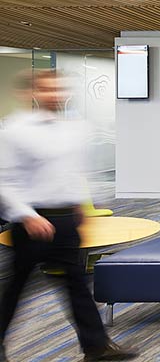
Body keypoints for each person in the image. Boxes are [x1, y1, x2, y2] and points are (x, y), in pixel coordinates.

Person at [0, 70, 137, 361]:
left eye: (58, 89)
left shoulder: (72, 129)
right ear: (33, 93)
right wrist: (27, 215)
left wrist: (80, 207)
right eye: (47, 89)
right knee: (15, 288)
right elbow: (5, 181)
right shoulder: (14, 130)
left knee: (76, 284)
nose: (54, 94)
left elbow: (74, 173)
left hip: (64, 221)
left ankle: (96, 346)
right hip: (32, 222)